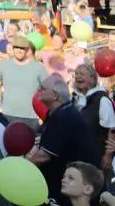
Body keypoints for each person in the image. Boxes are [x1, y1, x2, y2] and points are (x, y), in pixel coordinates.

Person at [29, 74, 101, 204]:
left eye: (43, 88)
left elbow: (43, 156)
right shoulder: (60, 111)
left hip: (76, 182)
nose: (38, 90)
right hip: (68, 176)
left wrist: (23, 168)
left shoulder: (63, 116)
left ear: (55, 95)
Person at [0, 36, 47, 130]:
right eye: (17, 47)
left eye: (22, 48)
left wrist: (43, 114)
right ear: (13, 48)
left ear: (27, 50)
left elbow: (47, 91)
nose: (19, 50)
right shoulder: (3, 65)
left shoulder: (39, 68)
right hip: (7, 114)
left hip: (32, 117)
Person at [74, 62, 115, 153]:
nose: (78, 76)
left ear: (92, 79)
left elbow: (112, 128)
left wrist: (108, 155)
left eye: (82, 74)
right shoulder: (74, 97)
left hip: (97, 151)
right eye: (76, 74)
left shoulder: (102, 99)